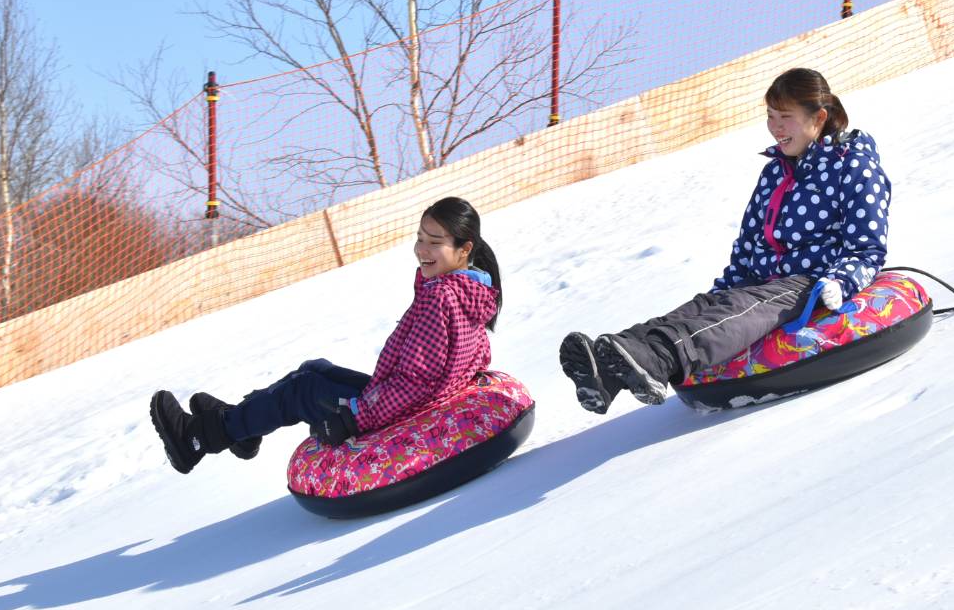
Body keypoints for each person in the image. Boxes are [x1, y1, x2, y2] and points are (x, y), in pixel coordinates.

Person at [560, 67, 891, 413]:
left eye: (786, 117)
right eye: (770, 116)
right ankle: (608, 373)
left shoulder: (853, 167)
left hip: (807, 282)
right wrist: (722, 288)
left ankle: (658, 359)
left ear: (819, 117)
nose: (775, 127)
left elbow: (867, 246)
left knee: (739, 312)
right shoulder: (775, 172)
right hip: (756, 279)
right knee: (703, 307)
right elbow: (748, 243)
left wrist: (841, 280)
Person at [149, 196, 503, 474]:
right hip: (414, 401)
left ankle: (197, 439)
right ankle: (242, 426)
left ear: (464, 248)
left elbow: (415, 382)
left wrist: (355, 417)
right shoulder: (471, 290)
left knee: (304, 390)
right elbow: (469, 358)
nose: (422, 250)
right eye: (419, 238)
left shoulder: (441, 296)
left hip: (403, 411)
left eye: (434, 242)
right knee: (314, 370)